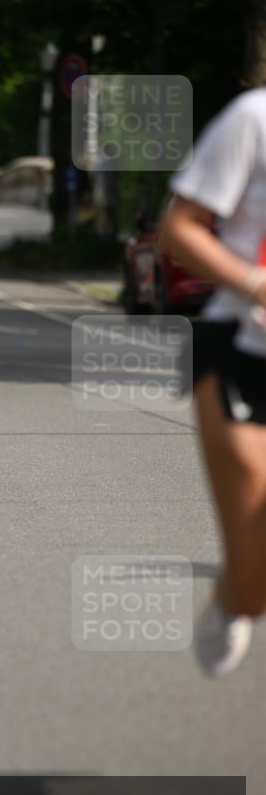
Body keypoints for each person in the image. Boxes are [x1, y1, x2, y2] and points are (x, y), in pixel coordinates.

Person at [161, 86, 266, 677]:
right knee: (256, 586)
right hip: (246, 354)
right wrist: (254, 284)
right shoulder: (254, 118)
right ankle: (235, 598)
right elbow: (180, 229)